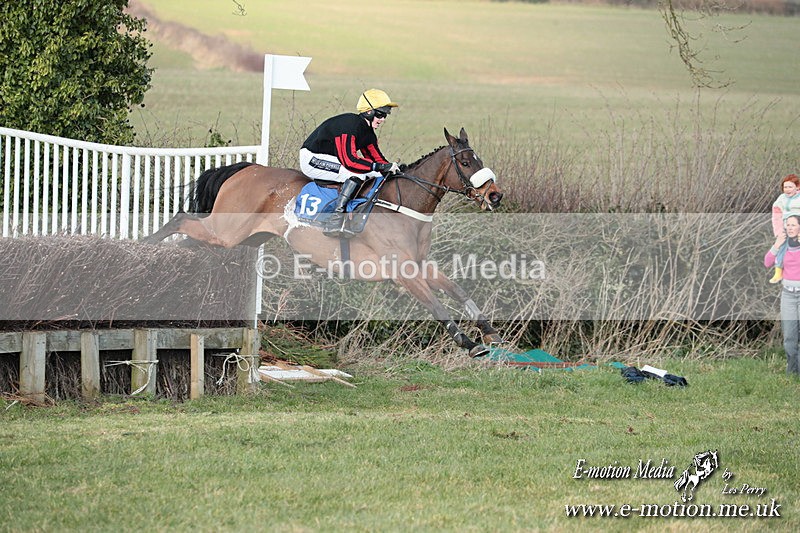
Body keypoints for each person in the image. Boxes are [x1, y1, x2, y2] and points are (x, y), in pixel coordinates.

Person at [299, 89, 400, 237]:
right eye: (380, 114)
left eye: (385, 115)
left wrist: (392, 170)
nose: (383, 119)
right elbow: (349, 161)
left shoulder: (368, 133)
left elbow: (377, 160)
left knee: (374, 173)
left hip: (331, 160)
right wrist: (379, 167)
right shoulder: (349, 125)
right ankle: (335, 219)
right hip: (312, 159)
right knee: (354, 173)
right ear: (368, 112)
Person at [765, 213, 800, 375]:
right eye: (788, 225)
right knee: (789, 339)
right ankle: (792, 372)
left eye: (793, 225)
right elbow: (767, 262)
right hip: (788, 295)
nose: (790, 228)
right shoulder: (784, 245)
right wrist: (777, 244)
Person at [769, 174, 800, 283]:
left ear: (797, 187)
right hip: (787, 228)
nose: (787, 189)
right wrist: (778, 231)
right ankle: (778, 272)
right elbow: (776, 215)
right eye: (785, 187)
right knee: (782, 248)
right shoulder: (781, 199)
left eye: (790, 187)